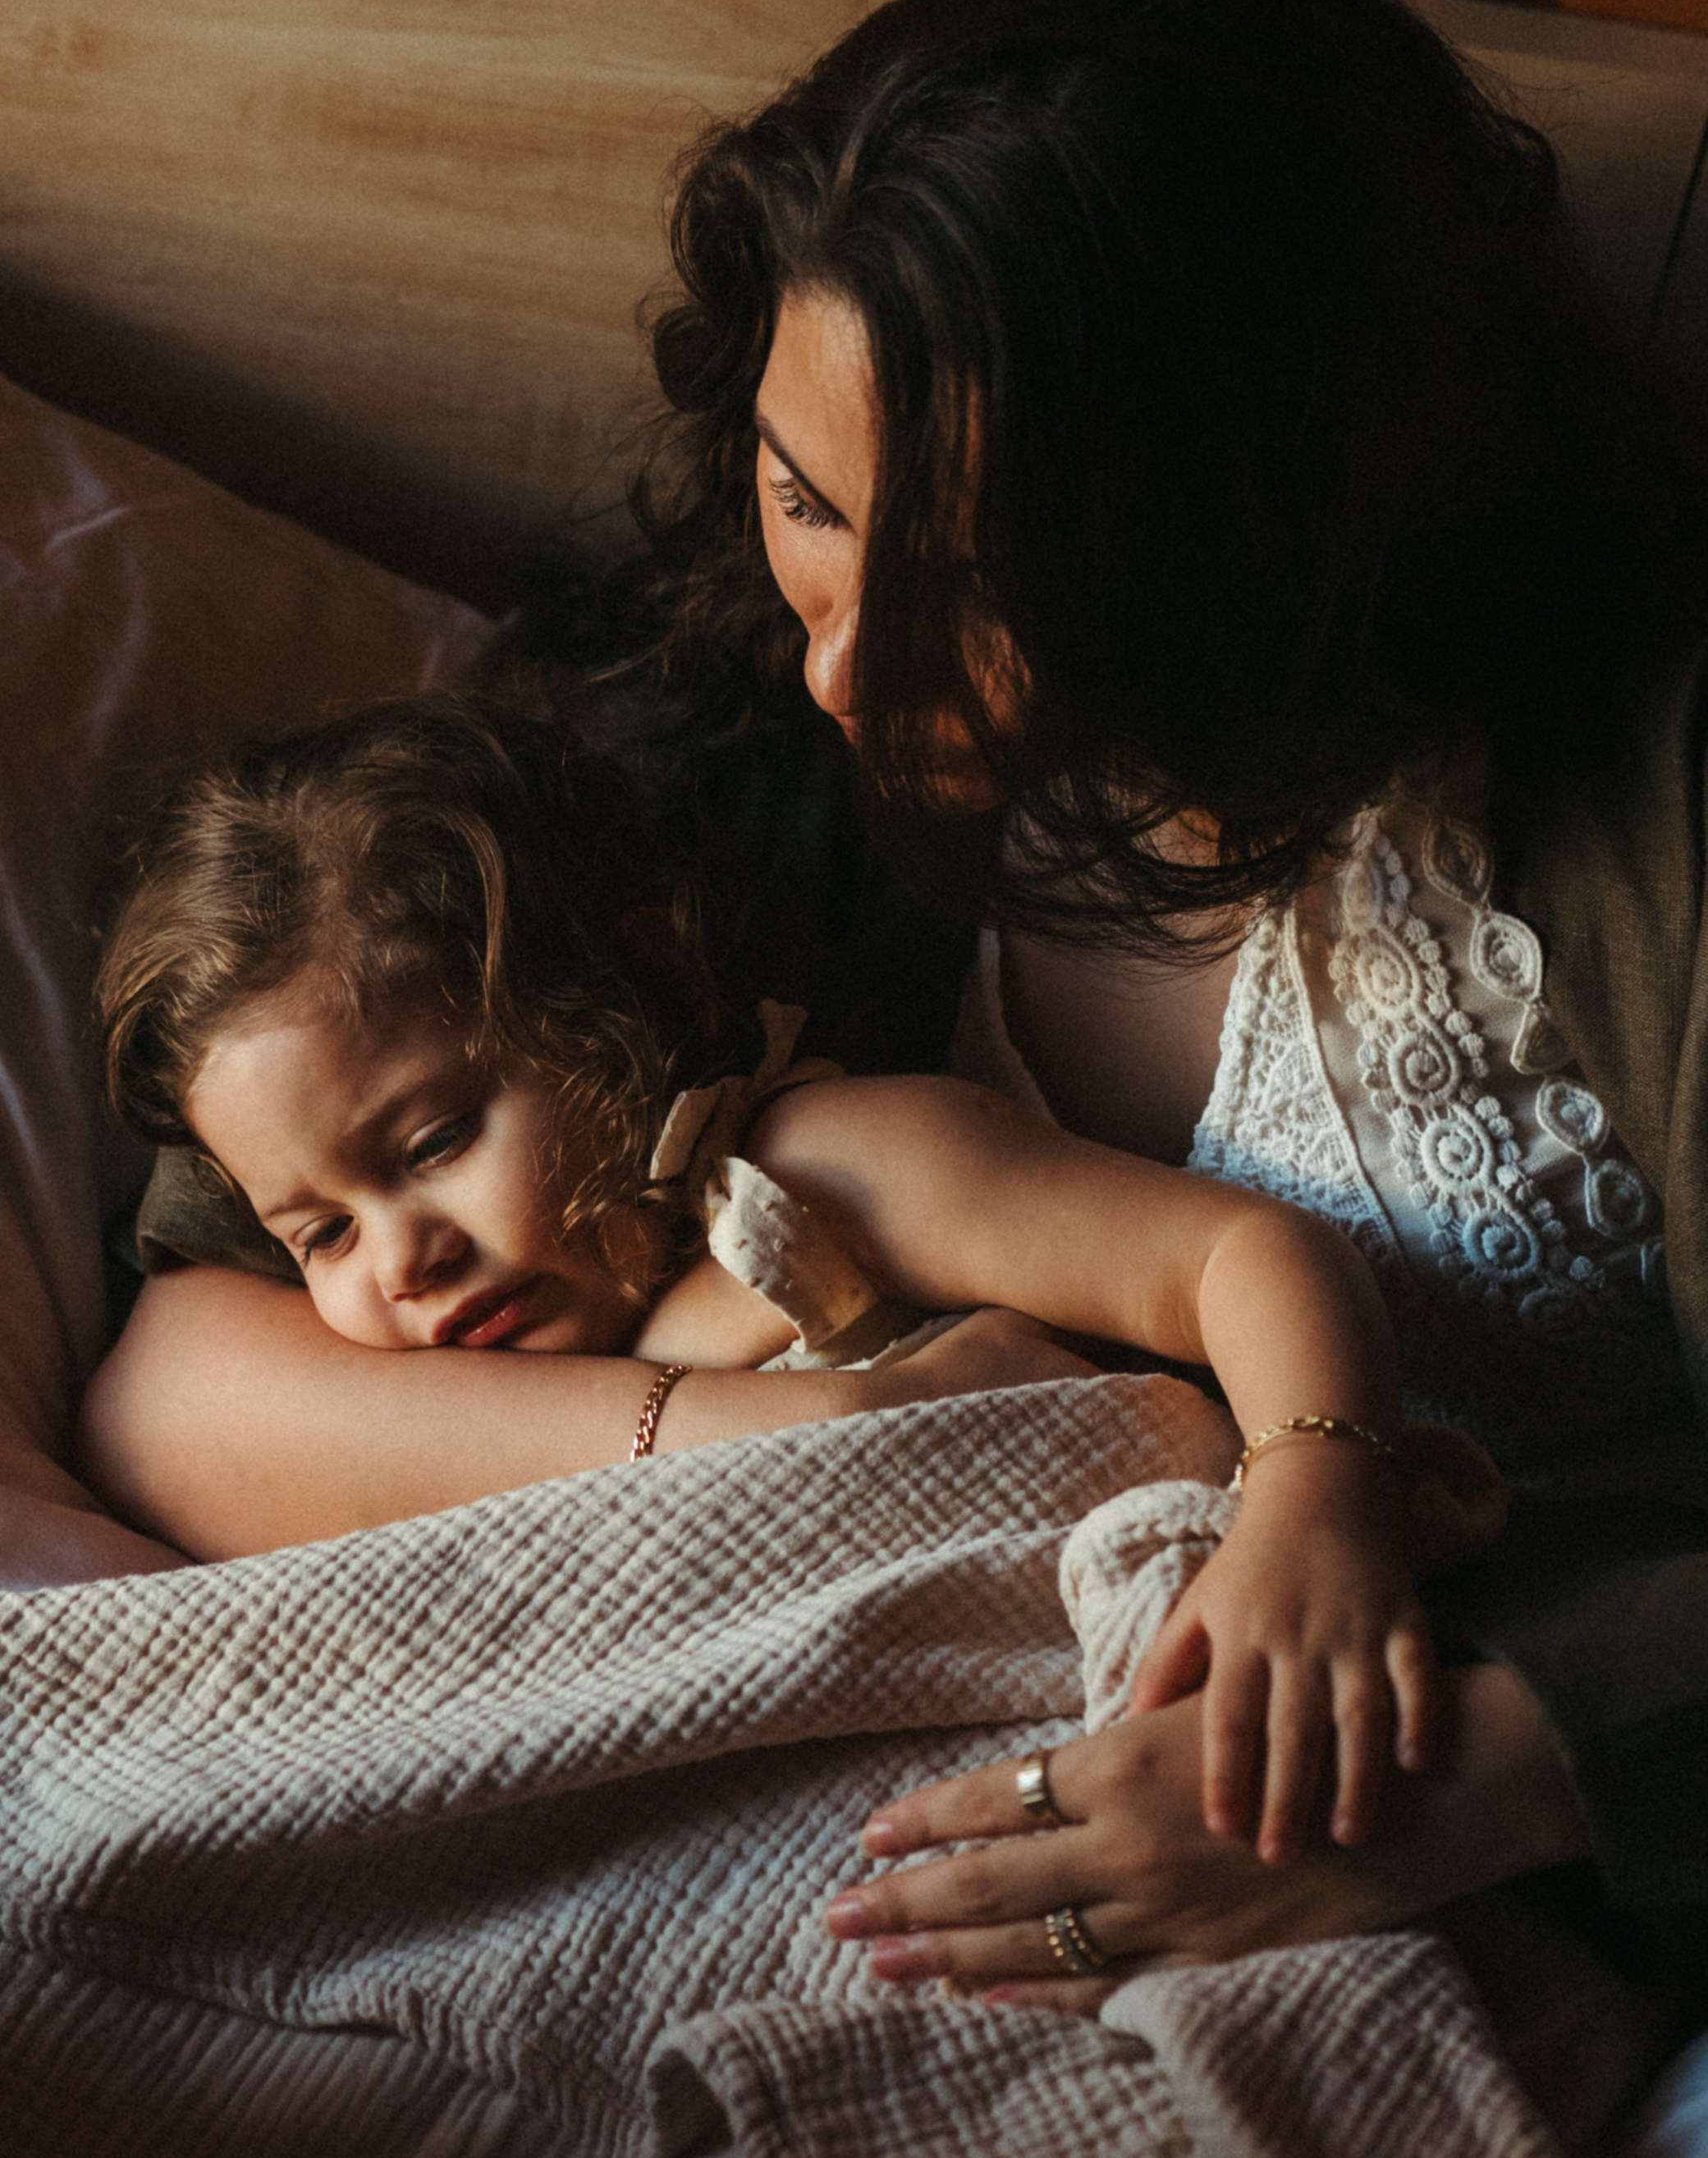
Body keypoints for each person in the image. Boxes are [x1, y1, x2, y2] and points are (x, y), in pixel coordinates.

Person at [81, 0, 1708, 2021]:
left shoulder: (1634, 806)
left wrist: (1460, 1777)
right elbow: (179, 1380)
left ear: (1262, 534)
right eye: (806, 493)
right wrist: (777, 1436)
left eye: (987, 578)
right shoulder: (703, 753)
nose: (848, 655)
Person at [94, 690, 1502, 1867]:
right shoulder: (435, 1387)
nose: (401, 1256)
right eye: (319, 1235)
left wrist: (1318, 1503)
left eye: (436, 1139)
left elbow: (1238, 1251)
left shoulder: (811, 1168)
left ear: (631, 980)